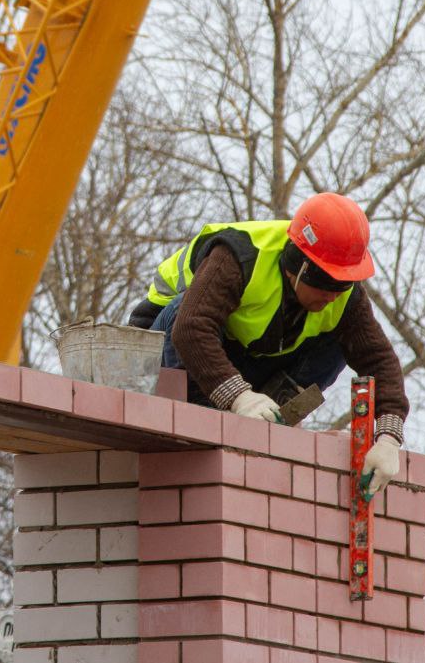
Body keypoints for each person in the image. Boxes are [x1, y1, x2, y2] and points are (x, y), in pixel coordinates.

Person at [127, 193, 407, 497]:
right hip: (166, 358)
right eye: (329, 283)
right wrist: (239, 397)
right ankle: (212, 413)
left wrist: (389, 436)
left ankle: (269, 421)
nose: (334, 295)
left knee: (340, 341)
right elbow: (191, 329)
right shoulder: (240, 256)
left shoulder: (344, 297)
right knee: (187, 313)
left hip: (240, 366)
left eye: (344, 284)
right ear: (300, 266)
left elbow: (380, 361)